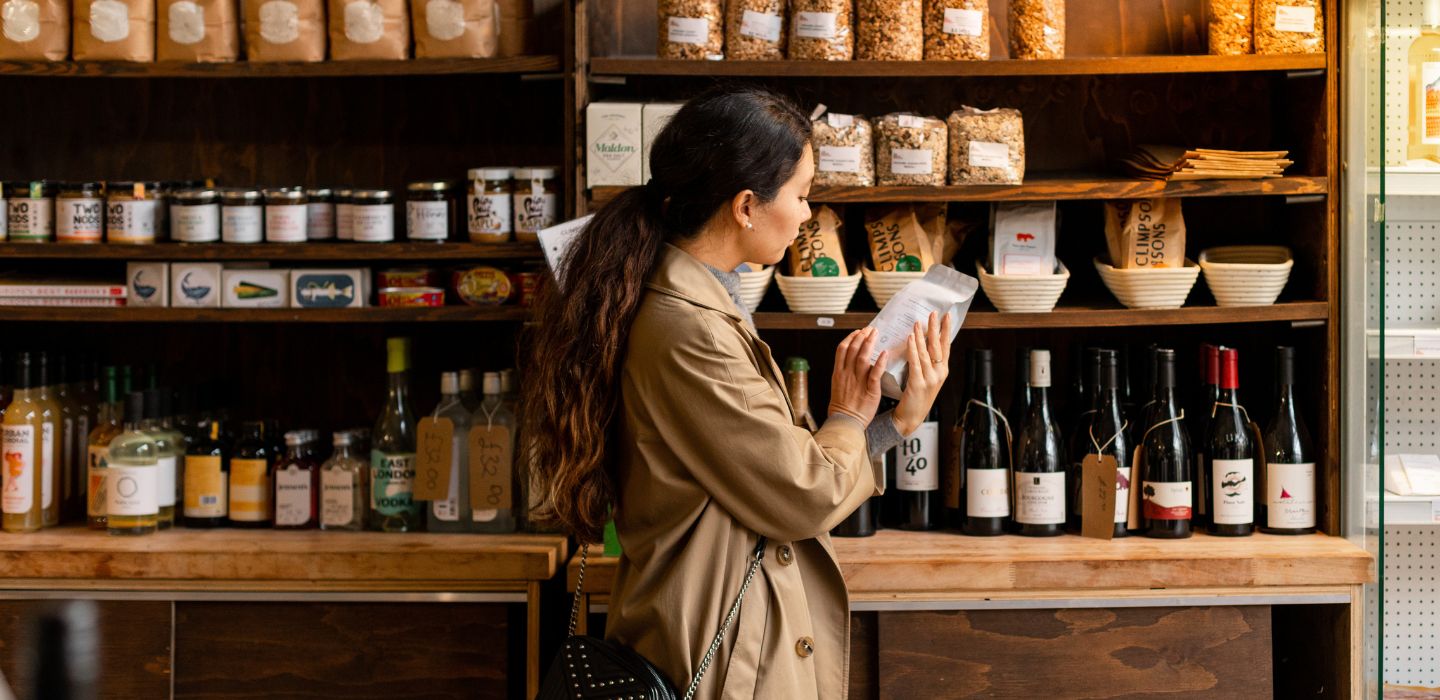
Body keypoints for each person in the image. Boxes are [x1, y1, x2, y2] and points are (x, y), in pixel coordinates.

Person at [523, 87, 951, 699]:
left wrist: (893, 424)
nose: (808, 216)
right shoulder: (687, 328)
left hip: (726, 643)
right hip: (722, 662)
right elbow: (802, 493)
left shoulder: (701, 301)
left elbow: (768, 471)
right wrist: (849, 413)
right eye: (802, 195)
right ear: (747, 206)